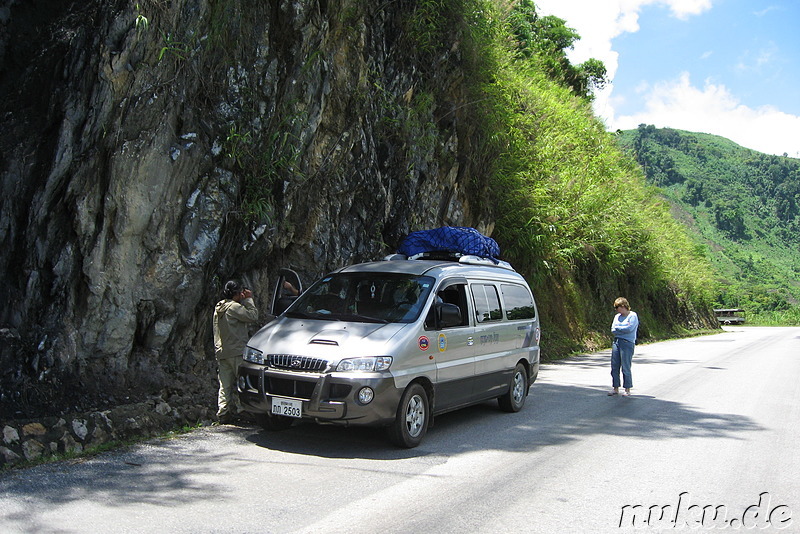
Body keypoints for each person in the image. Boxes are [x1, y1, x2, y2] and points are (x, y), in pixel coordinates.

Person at [213, 280, 259, 423]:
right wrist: (249, 299)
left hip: (222, 351)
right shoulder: (234, 307)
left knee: (224, 385)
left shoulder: (219, 307)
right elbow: (253, 316)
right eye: (240, 292)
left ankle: (223, 412)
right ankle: (243, 410)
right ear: (236, 294)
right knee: (242, 382)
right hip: (237, 351)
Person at [609, 297, 638, 397]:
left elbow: (629, 329)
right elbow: (613, 329)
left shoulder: (632, 315)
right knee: (614, 366)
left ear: (623, 306)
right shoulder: (617, 317)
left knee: (625, 366)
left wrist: (619, 328)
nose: (616, 309)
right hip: (617, 342)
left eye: (617, 307)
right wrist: (621, 329)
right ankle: (615, 388)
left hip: (627, 342)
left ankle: (627, 389)